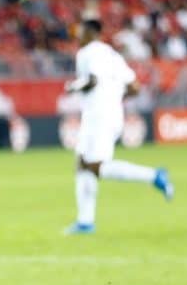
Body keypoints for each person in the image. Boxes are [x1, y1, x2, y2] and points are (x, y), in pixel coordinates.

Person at [65, 18, 172, 235]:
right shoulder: (112, 55)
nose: (78, 36)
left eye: (81, 32)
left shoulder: (87, 52)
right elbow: (134, 87)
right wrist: (114, 95)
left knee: (97, 166)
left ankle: (154, 176)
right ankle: (85, 222)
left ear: (90, 33)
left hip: (99, 116)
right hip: (109, 113)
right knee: (83, 162)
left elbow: (91, 81)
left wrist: (73, 86)